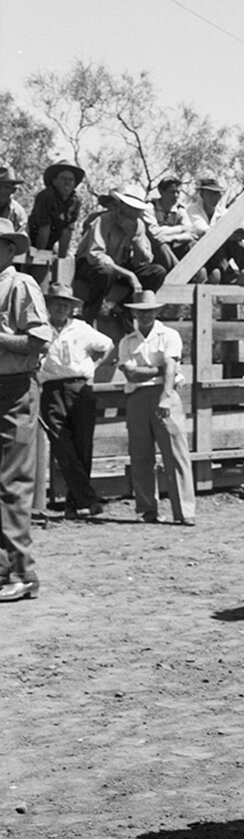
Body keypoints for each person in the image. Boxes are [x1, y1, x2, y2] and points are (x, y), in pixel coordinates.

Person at [0, 219, 51, 602]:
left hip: (15, 389)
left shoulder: (20, 285)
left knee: (12, 482)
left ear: (8, 249)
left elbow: (38, 341)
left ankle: (22, 572)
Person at [117, 290, 196, 525]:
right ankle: (147, 509)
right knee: (141, 455)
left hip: (165, 394)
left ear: (157, 311)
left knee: (176, 454)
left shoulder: (169, 335)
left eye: (150, 311)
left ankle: (185, 511)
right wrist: (161, 370)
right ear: (133, 312)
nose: (145, 315)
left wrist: (166, 393)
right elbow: (131, 374)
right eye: (140, 311)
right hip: (137, 397)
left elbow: (171, 366)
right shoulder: (127, 341)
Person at [37, 284, 113, 519]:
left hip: (80, 387)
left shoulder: (80, 328)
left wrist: (95, 367)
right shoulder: (40, 328)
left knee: (82, 447)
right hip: (51, 389)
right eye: (57, 303)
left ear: (72, 308)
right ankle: (88, 499)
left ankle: (75, 504)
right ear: (48, 305)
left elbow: (107, 345)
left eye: (66, 305)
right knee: (61, 444)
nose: (61, 308)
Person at [74, 185, 167, 323]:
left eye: (137, 209)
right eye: (131, 207)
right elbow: (96, 256)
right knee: (105, 272)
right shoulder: (103, 220)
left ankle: (124, 311)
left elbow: (145, 259)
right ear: (121, 205)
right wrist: (130, 275)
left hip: (118, 267)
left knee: (157, 272)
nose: (134, 212)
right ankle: (90, 317)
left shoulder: (139, 225)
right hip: (90, 266)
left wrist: (134, 238)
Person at [187, 177, 244, 285]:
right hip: (200, 259)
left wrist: (240, 231)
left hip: (219, 258)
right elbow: (203, 231)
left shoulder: (222, 211)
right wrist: (227, 235)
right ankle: (231, 277)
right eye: (211, 193)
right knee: (216, 243)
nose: (215, 197)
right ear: (202, 194)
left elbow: (234, 224)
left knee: (235, 242)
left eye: (217, 194)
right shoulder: (193, 210)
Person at [144, 177, 198, 272]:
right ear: (161, 192)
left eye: (178, 192)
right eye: (172, 192)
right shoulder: (150, 207)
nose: (176, 195)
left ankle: (195, 274)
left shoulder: (179, 210)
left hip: (173, 248)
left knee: (192, 244)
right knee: (161, 244)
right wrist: (180, 228)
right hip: (154, 252)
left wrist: (172, 238)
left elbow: (191, 233)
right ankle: (180, 275)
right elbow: (154, 233)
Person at [0, 167, 28, 234]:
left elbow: (22, 239)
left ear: (13, 190)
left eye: (7, 187)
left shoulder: (18, 212)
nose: (1, 191)